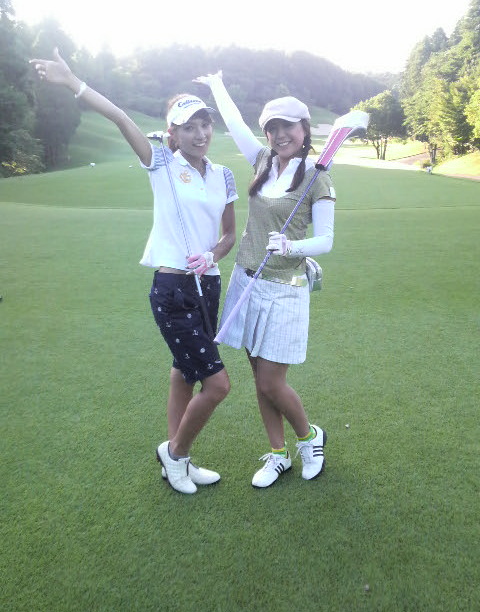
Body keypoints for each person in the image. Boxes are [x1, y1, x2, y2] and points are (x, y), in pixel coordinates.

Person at [31, 50, 238, 495]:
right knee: (217, 384)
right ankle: (175, 453)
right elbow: (121, 117)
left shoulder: (223, 175)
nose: (200, 133)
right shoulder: (161, 163)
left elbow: (229, 235)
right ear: (173, 133)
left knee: (184, 372)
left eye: (204, 124)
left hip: (208, 285)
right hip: (173, 289)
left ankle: (177, 462)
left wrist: (213, 255)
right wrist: (73, 82)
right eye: (188, 127)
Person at [194, 71, 335, 489]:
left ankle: (309, 439)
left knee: (272, 381)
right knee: (259, 378)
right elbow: (237, 124)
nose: (279, 134)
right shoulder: (262, 161)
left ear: (303, 129)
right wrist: (216, 86)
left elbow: (326, 240)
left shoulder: (317, 177)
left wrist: (292, 246)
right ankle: (278, 454)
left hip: (285, 288)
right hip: (246, 281)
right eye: (272, 128)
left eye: (287, 126)